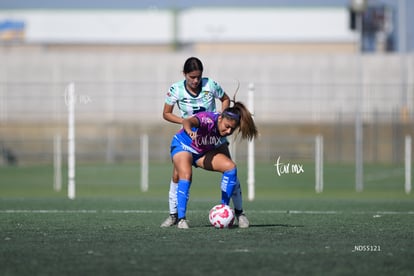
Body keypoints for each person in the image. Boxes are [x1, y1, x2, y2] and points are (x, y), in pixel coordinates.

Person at [161, 57, 250, 228]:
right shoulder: (176, 89)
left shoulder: (211, 85)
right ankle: (176, 216)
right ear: (184, 74)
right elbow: (166, 113)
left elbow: (225, 98)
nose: (195, 81)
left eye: (198, 77)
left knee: (231, 169)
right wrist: (186, 123)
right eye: (191, 77)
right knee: (178, 175)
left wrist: (223, 119)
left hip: (214, 134)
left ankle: (239, 213)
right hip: (190, 136)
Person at [170, 101, 258, 228]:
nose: (228, 131)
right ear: (220, 118)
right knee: (186, 175)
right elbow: (187, 122)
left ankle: (225, 210)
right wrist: (189, 131)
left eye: (232, 129)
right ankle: (181, 219)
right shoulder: (207, 119)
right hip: (182, 146)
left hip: (201, 153)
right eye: (227, 126)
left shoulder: (224, 130)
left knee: (231, 167)